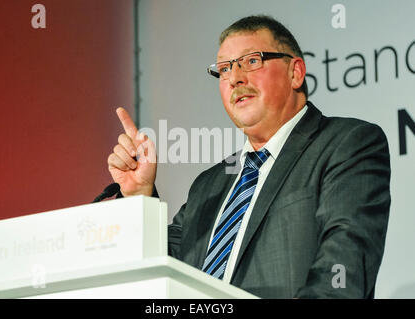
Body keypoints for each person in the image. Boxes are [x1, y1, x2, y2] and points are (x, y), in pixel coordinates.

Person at [107, 15, 391, 298]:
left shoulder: (347, 144)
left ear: (295, 73)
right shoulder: (209, 184)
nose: (235, 78)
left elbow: (343, 270)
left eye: (252, 61)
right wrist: (138, 195)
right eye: (225, 68)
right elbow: (164, 270)